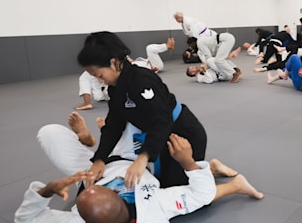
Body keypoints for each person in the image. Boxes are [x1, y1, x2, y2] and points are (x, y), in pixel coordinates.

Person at [14, 112, 263, 223]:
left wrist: (47, 190)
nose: (100, 186)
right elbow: (201, 195)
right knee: (138, 112)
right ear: (117, 196)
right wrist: (188, 162)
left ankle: (92, 141)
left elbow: (26, 220)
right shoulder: (153, 206)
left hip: (85, 171)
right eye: (107, 190)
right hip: (128, 157)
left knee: (48, 133)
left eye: (87, 195)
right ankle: (102, 138)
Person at [77, 31, 208, 189]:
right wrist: (99, 159)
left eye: (99, 75)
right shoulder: (114, 89)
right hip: (161, 137)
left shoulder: (142, 79)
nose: (99, 80)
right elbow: (114, 126)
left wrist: (143, 157)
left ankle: (214, 171)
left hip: (183, 135)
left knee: (180, 189)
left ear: (113, 63)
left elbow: (162, 119)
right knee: (162, 186)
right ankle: (210, 168)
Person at [75, 38, 175, 110]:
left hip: (150, 66)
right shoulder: (110, 67)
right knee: (98, 94)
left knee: (149, 48)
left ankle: (167, 46)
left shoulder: (127, 64)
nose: (100, 79)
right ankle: (88, 101)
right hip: (146, 66)